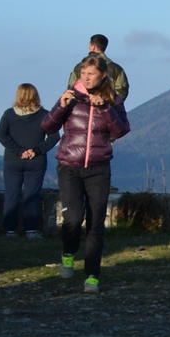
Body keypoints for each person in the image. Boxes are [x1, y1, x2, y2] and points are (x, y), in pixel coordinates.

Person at [43, 59, 129, 291]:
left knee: (96, 222)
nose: (86, 78)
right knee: (73, 218)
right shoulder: (70, 96)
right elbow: (48, 127)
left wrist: (105, 108)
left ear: (102, 75)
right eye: (83, 73)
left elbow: (120, 130)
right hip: (70, 166)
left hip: (98, 168)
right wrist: (60, 106)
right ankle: (68, 253)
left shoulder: (113, 100)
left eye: (91, 73)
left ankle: (92, 275)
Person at [0, 83, 56, 237]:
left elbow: (2, 135)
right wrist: (36, 150)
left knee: (11, 195)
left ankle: (10, 230)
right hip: (36, 161)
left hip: (12, 160)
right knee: (32, 196)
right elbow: (54, 137)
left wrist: (18, 151)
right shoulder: (44, 115)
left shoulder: (9, 114)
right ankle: (31, 230)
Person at [68, 35, 130, 101]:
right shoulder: (117, 69)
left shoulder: (79, 67)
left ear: (93, 47)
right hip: (109, 108)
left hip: (81, 107)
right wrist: (108, 103)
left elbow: (71, 88)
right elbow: (122, 91)